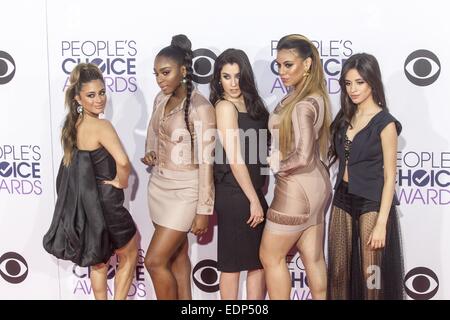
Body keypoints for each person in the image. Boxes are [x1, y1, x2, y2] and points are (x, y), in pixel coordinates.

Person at [43, 63, 138, 300]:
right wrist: (122, 182)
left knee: (98, 260)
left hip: (87, 207)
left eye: (102, 93)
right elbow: (123, 162)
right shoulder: (102, 126)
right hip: (106, 203)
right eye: (91, 95)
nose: (99, 100)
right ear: (78, 98)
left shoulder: (71, 126)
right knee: (130, 251)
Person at [142, 34, 216, 300]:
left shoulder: (201, 108)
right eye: (156, 74)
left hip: (186, 191)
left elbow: (207, 161)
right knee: (177, 257)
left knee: (153, 261)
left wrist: (203, 210)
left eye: (165, 72)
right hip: (159, 188)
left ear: (183, 71)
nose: (160, 79)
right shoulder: (160, 100)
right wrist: (151, 153)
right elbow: (154, 136)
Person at [259, 34, 332, 300]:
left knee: (270, 255)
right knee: (312, 258)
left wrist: (276, 165)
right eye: (279, 65)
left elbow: (301, 156)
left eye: (288, 65)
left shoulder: (302, 104)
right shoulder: (315, 97)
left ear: (308, 64)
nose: (282, 71)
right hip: (316, 186)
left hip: (295, 189)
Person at [327, 53, 404, 300]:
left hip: (372, 202)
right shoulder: (345, 118)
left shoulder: (385, 123)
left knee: (373, 275)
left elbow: (390, 175)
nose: (353, 89)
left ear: (372, 82)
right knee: (338, 271)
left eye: (359, 82)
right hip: (342, 197)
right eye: (348, 83)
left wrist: (382, 223)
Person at [210, 48, 269, 300]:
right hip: (234, 193)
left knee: (257, 262)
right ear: (218, 79)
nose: (233, 83)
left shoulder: (253, 104)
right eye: (226, 76)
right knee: (232, 264)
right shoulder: (224, 106)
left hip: (252, 190)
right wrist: (254, 200)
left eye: (238, 76)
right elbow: (234, 158)